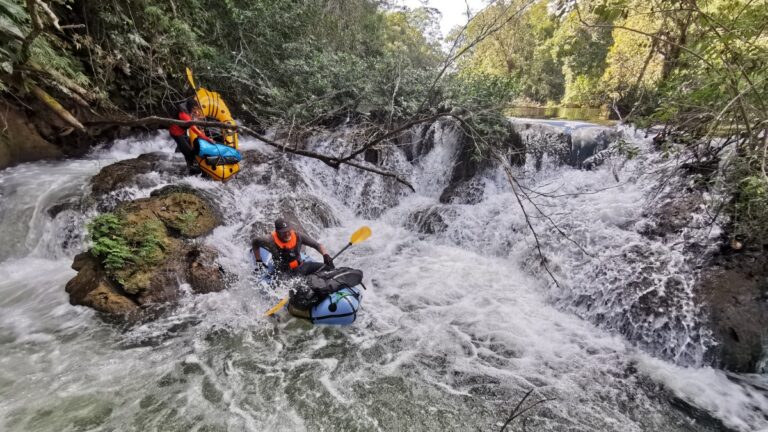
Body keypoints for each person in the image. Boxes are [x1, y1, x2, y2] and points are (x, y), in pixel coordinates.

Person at [252, 218, 334, 276]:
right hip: (283, 273)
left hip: (301, 267)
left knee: (328, 268)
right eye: (283, 232)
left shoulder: (298, 236)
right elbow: (255, 242)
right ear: (277, 232)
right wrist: (259, 261)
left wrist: (325, 255)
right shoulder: (269, 240)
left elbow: (317, 245)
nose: (287, 234)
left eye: (288, 231)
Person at [168, 99, 214, 174]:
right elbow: (194, 129)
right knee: (188, 152)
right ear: (190, 107)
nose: (196, 111)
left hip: (181, 131)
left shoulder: (187, 108)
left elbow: (195, 117)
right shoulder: (184, 115)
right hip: (176, 133)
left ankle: (182, 153)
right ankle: (190, 169)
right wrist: (207, 139)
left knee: (186, 146)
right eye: (194, 109)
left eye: (196, 109)